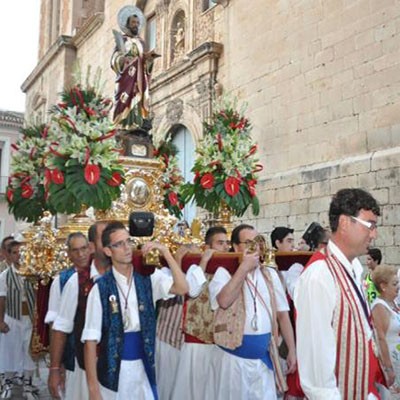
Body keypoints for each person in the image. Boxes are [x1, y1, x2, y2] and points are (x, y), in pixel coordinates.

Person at [82, 221, 189, 400]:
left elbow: (183, 288)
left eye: (128, 241)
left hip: (143, 369)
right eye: (119, 244)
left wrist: (166, 253)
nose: (127, 248)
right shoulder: (100, 288)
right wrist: (93, 390)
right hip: (113, 374)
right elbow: (90, 341)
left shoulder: (148, 278)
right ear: (108, 251)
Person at [295, 188, 383, 399]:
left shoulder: (354, 268)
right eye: (370, 225)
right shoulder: (319, 276)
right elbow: (316, 367)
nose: (374, 234)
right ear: (344, 223)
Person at [209, 224, 296, 400]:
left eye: (256, 242)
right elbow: (224, 301)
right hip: (232, 361)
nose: (254, 247)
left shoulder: (270, 275)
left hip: (263, 360)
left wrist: (292, 351)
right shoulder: (223, 273)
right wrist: (243, 268)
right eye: (248, 242)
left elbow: (282, 315)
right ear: (235, 247)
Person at [172, 227, 230, 400]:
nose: (225, 247)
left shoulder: (230, 270)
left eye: (227, 243)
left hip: (220, 344)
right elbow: (192, 291)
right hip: (196, 343)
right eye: (220, 243)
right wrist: (203, 262)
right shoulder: (194, 269)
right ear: (207, 247)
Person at [48, 232, 92, 399]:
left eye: (83, 249)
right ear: (68, 253)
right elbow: (55, 326)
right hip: (73, 356)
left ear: (90, 248)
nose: (81, 254)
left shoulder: (103, 274)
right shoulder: (61, 281)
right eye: (75, 250)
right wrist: (56, 366)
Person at [0, 241, 38, 399]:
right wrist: (1, 321)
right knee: (9, 350)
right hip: (12, 317)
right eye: (14, 252)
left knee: (29, 352)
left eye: (21, 252)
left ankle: (27, 387)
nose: (19, 256)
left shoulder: (32, 273)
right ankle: (7, 384)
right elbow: (1, 299)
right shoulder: (4, 276)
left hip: (29, 318)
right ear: (8, 255)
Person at [111, 7, 158, 130]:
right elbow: (114, 58)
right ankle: (123, 125)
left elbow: (144, 63)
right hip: (126, 78)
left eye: (137, 23)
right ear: (127, 24)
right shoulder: (123, 40)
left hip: (139, 80)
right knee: (124, 100)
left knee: (138, 101)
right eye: (133, 22)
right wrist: (120, 60)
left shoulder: (141, 43)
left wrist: (149, 60)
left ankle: (137, 124)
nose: (136, 25)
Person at [371, 265, 400, 398]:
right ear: (383, 286)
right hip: (392, 363)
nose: (398, 287)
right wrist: (388, 369)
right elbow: (381, 338)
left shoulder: (393, 304)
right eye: (394, 284)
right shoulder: (379, 307)